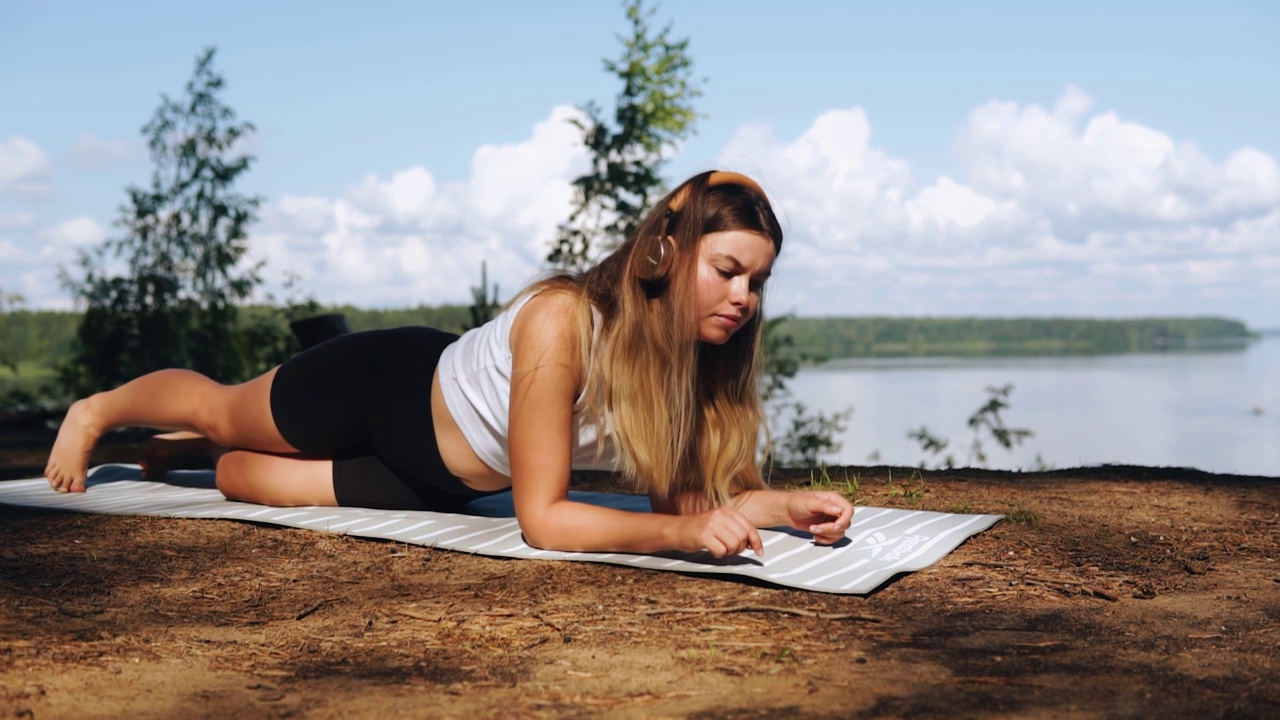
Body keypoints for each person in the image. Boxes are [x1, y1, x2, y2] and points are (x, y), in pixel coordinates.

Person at [44, 171, 853, 558]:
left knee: (238, 477)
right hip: (388, 390)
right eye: (728, 270)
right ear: (665, 253)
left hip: (442, 479)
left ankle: (181, 457)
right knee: (222, 410)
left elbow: (688, 495)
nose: (744, 296)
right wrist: (677, 535)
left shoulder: (691, 366)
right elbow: (543, 519)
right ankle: (102, 411)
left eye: (758, 280)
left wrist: (784, 506)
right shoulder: (563, 320)